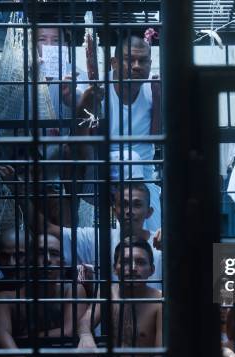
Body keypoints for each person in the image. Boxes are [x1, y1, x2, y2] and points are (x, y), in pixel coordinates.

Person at [79, 33, 162, 231]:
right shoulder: (99, 90)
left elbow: (156, 138)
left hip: (143, 176)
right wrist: (85, 102)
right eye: (129, 60)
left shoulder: (152, 90)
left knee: (152, 240)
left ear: (150, 64)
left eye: (143, 61)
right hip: (103, 171)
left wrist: (159, 100)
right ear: (114, 63)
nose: (136, 66)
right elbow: (82, 140)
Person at [0, 229, 88, 357]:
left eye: (54, 254)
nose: (47, 260)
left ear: (62, 262)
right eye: (40, 253)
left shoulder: (73, 291)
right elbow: (0, 333)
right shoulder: (6, 298)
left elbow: (68, 331)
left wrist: (23, 339)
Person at [77, 237, 163, 357]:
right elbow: (85, 320)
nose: (132, 268)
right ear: (115, 269)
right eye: (124, 262)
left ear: (152, 269)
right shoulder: (107, 293)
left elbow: (160, 356)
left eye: (140, 262)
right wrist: (85, 336)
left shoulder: (160, 301)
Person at [47, 182, 163, 290]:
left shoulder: (161, 244)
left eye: (137, 205)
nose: (129, 211)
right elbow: (48, 229)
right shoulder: (98, 238)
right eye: (124, 204)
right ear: (114, 210)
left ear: (149, 212)